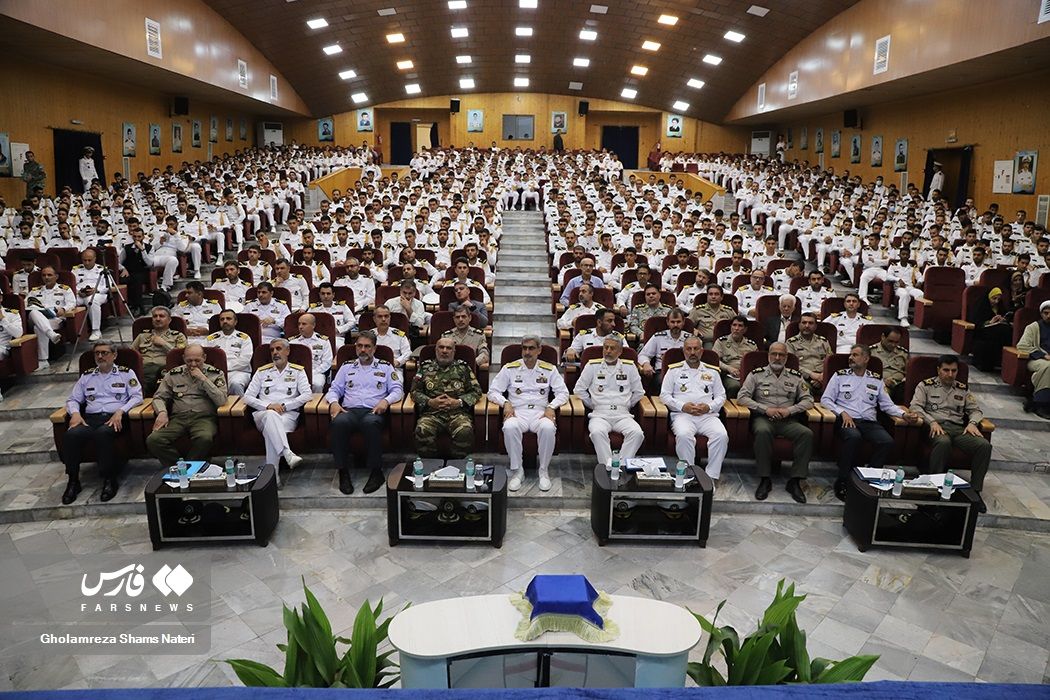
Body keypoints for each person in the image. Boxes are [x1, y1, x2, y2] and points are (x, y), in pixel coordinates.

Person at [821, 344, 919, 500]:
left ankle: (870, 479)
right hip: (847, 420)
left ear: (866, 359)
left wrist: (903, 414)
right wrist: (842, 412)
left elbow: (887, 405)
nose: (850, 358)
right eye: (851, 354)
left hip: (869, 422)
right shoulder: (840, 376)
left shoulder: (875, 379)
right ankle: (843, 481)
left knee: (886, 441)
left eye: (855, 355)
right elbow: (825, 399)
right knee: (854, 437)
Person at [60, 341, 143, 504]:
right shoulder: (87, 376)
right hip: (90, 419)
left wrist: (121, 411)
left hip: (115, 418)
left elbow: (137, 396)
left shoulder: (126, 374)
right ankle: (73, 481)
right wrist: (75, 414)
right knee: (71, 435)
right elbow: (73, 399)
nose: (100, 356)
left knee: (102, 434)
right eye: (97, 353)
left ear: (114, 355)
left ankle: (109, 479)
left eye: (104, 352)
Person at [488, 335, 569, 491]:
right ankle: (518, 471)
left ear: (539, 350)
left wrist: (552, 406)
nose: (527, 352)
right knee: (510, 427)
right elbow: (493, 392)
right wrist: (505, 403)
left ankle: (543, 471)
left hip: (540, 412)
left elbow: (563, 393)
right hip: (518, 412)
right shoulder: (509, 368)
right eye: (524, 348)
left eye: (531, 348)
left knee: (548, 428)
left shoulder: (549, 369)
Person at [327, 330, 403, 494]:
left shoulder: (385, 366)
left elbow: (398, 390)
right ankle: (343, 472)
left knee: (370, 423)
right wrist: (333, 403)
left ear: (374, 349)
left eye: (367, 346)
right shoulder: (347, 367)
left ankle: (376, 472)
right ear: (356, 347)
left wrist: (385, 401)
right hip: (350, 410)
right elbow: (334, 389)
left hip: (373, 411)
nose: (363, 350)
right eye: (360, 346)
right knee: (338, 423)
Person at [737, 342, 813, 503]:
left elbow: (808, 400)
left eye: (782, 355)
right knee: (763, 431)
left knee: (806, 434)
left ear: (786, 357)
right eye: (774, 354)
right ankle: (765, 479)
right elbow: (742, 397)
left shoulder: (796, 376)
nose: (777, 358)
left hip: (788, 420)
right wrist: (765, 409)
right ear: (768, 355)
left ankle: (795, 481)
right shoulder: (756, 374)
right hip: (763, 418)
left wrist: (789, 410)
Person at [909, 355, 991, 505]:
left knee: (984, 445)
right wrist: (931, 421)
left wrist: (972, 423)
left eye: (954, 370)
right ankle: (935, 486)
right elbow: (915, 407)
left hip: (958, 428)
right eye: (946, 370)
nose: (950, 374)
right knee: (943, 442)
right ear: (938, 370)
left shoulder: (962, 388)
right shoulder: (926, 385)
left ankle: (975, 491)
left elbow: (976, 410)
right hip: (934, 427)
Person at [145, 344, 228, 469]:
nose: (193, 364)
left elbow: (221, 400)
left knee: (204, 438)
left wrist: (203, 379)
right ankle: (182, 467)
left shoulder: (215, 374)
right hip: (178, 418)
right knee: (154, 440)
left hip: (204, 418)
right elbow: (159, 397)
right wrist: (162, 412)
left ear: (204, 357)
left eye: (197, 360)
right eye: (189, 360)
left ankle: (186, 470)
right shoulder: (173, 375)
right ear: (184, 358)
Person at [659, 336, 729, 481]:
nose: (692, 352)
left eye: (696, 349)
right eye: (689, 349)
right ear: (683, 351)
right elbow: (664, 396)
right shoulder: (674, 371)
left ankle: (711, 478)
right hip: (682, 416)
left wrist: (708, 407)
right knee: (684, 435)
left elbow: (722, 397)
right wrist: (682, 406)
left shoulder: (713, 372)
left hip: (708, 416)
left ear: (701, 351)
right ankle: (690, 475)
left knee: (721, 436)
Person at [242, 338, 312, 473]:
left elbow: (307, 395)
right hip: (262, 414)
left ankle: (273, 475)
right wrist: (268, 406)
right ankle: (287, 453)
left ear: (287, 351)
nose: (275, 352)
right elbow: (247, 397)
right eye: (272, 350)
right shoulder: (262, 372)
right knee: (270, 415)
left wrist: (285, 406)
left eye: (278, 349)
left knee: (271, 429)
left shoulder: (298, 371)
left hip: (288, 415)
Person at [574, 337, 645, 467]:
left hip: (623, 414)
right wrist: (592, 404)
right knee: (596, 432)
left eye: (612, 348)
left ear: (620, 351)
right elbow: (578, 390)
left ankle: (621, 466)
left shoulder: (629, 367)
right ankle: (607, 467)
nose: (607, 351)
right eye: (605, 347)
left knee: (637, 433)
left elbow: (639, 392)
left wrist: (627, 405)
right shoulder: (592, 366)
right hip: (599, 414)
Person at [411, 337, 482, 458]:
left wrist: (458, 402)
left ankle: (457, 465)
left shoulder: (463, 368)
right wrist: (429, 401)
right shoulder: (425, 367)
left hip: (458, 413)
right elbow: (414, 392)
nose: (444, 351)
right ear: (436, 350)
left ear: (453, 351)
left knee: (465, 430)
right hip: (431, 414)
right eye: (441, 347)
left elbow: (476, 391)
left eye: (449, 348)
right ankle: (430, 466)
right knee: (422, 429)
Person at [130, 305, 188, 396]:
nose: (157, 319)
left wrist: (164, 344)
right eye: (155, 316)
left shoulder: (178, 336)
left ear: (169, 320)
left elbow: (180, 357)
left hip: (165, 372)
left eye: (161, 316)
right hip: (144, 372)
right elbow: (131, 354)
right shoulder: (142, 336)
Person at [26, 266, 75, 370]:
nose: (46, 277)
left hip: (55, 318)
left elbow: (72, 303)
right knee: (34, 312)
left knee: (37, 328)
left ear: (56, 276)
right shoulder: (35, 291)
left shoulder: (64, 289)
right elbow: (26, 303)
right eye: (44, 275)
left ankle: (43, 360)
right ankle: (51, 334)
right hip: (35, 317)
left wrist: (64, 309)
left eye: (49, 275)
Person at [203, 309, 253, 395]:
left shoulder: (244, 338)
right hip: (215, 372)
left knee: (236, 384)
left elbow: (244, 360)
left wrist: (224, 367)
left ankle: (239, 407)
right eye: (222, 319)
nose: (225, 321)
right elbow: (203, 357)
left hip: (239, 372)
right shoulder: (210, 339)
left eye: (228, 318)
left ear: (235, 321)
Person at [1017, 300, 1050, 419]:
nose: (1048, 316)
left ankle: (1034, 402)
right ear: (1041, 314)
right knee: (1048, 367)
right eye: (1046, 313)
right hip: (1036, 360)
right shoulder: (1033, 327)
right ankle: (1041, 405)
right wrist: (1042, 355)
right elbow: (1022, 346)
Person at [712, 315, 757, 398]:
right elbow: (715, 360)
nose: (736, 328)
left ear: (745, 329)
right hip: (728, 374)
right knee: (735, 386)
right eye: (734, 325)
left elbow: (756, 363)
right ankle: (729, 408)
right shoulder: (721, 342)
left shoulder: (751, 345)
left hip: (747, 375)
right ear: (731, 327)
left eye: (740, 326)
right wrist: (728, 368)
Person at [786, 312, 832, 393]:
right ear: (799, 325)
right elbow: (791, 365)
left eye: (810, 323)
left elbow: (830, 362)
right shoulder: (791, 343)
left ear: (815, 326)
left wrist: (822, 377)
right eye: (804, 323)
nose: (807, 326)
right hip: (803, 378)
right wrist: (812, 375)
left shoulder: (823, 341)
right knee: (803, 389)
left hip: (823, 378)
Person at [971, 287, 1013, 372]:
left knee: (1006, 330)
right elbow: (977, 322)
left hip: (998, 330)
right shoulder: (981, 306)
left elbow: (1005, 316)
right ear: (989, 297)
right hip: (983, 331)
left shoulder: (1000, 307)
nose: (996, 301)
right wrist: (990, 322)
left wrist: (1003, 320)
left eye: (998, 299)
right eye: (994, 298)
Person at [288, 312, 333, 392]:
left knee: (317, 384)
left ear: (313, 325)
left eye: (304, 324)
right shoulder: (292, 342)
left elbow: (327, 362)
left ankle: (316, 404)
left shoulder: (323, 341)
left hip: (316, 372)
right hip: (296, 372)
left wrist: (312, 372)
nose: (300, 327)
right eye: (299, 324)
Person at [72, 248, 110, 341]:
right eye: (84, 260)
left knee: (92, 300)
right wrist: (79, 292)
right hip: (81, 294)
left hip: (98, 294)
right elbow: (72, 284)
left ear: (95, 259)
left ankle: (96, 330)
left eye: (89, 260)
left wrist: (96, 290)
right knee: (70, 302)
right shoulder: (76, 270)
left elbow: (107, 286)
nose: (87, 263)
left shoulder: (102, 269)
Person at [442, 306, 490, 370]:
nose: (460, 319)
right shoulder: (446, 336)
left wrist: (472, 363)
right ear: (454, 319)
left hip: (470, 371)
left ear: (470, 318)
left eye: (463, 316)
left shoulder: (479, 335)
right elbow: (442, 356)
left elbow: (484, 354)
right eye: (457, 317)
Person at [868, 326, 908, 402]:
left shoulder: (903, 353)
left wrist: (904, 380)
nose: (893, 345)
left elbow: (909, 373)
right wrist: (882, 381)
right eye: (890, 341)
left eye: (896, 342)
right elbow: (865, 373)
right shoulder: (871, 352)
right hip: (880, 384)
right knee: (885, 394)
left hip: (900, 386)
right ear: (883, 337)